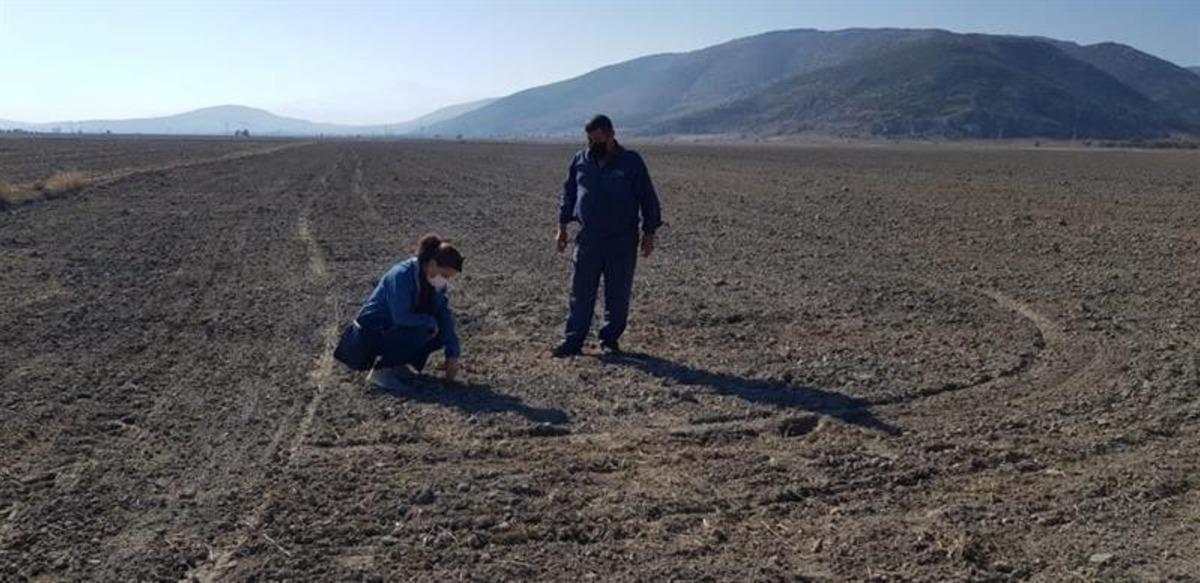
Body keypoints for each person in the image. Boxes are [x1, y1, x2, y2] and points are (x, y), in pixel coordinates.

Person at [554, 114, 663, 357]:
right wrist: (561, 226)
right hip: (589, 239)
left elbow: (647, 197)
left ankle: (610, 340)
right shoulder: (580, 160)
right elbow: (568, 194)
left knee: (618, 293)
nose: (594, 145)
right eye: (590, 140)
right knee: (580, 291)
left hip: (621, 240)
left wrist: (649, 232)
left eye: (598, 140)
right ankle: (573, 341)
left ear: (612, 135)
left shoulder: (631, 162)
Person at [334, 234, 465, 388]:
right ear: (432, 264)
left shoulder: (435, 284)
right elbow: (400, 317)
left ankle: (397, 365)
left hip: (394, 331)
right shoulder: (401, 275)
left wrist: (452, 355)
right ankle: (381, 370)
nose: (445, 280)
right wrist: (429, 321)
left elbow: (444, 315)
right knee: (423, 328)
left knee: (440, 331)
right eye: (444, 275)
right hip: (370, 334)